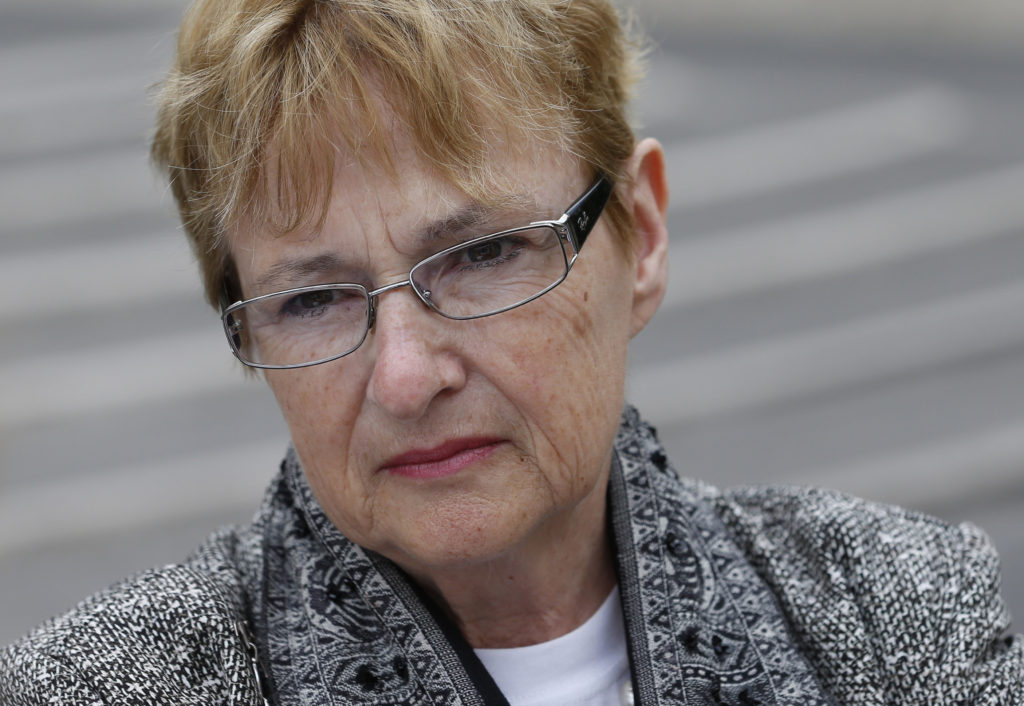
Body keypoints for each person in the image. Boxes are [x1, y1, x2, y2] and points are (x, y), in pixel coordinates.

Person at [2, 0, 1022, 703]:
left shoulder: (900, 612)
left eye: (481, 253)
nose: (404, 375)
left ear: (644, 231)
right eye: (311, 301)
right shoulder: (105, 685)